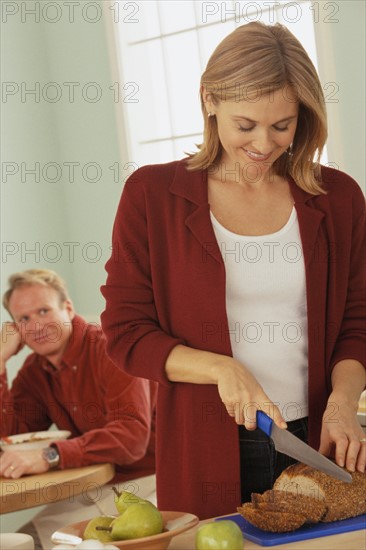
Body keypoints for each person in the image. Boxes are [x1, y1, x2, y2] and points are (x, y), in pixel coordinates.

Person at [101, 22, 366, 520]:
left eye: (282, 125)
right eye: (245, 125)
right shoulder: (151, 196)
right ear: (209, 100)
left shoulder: (340, 198)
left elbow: (358, 321)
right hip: (204, 449)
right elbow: (125, 333)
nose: (263, 144)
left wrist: (343, 403)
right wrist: (223, 369)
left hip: (319, 441)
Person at [0, 269, 157, 547]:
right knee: (22, 542)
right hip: (96, 488)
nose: (36, 325)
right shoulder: (34, 371)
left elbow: (131, 438)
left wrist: (50, 456)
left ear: (68, 308)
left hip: (152, 482)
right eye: (24, 318)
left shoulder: (111, 348)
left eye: (44, 311)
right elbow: (9, 438)